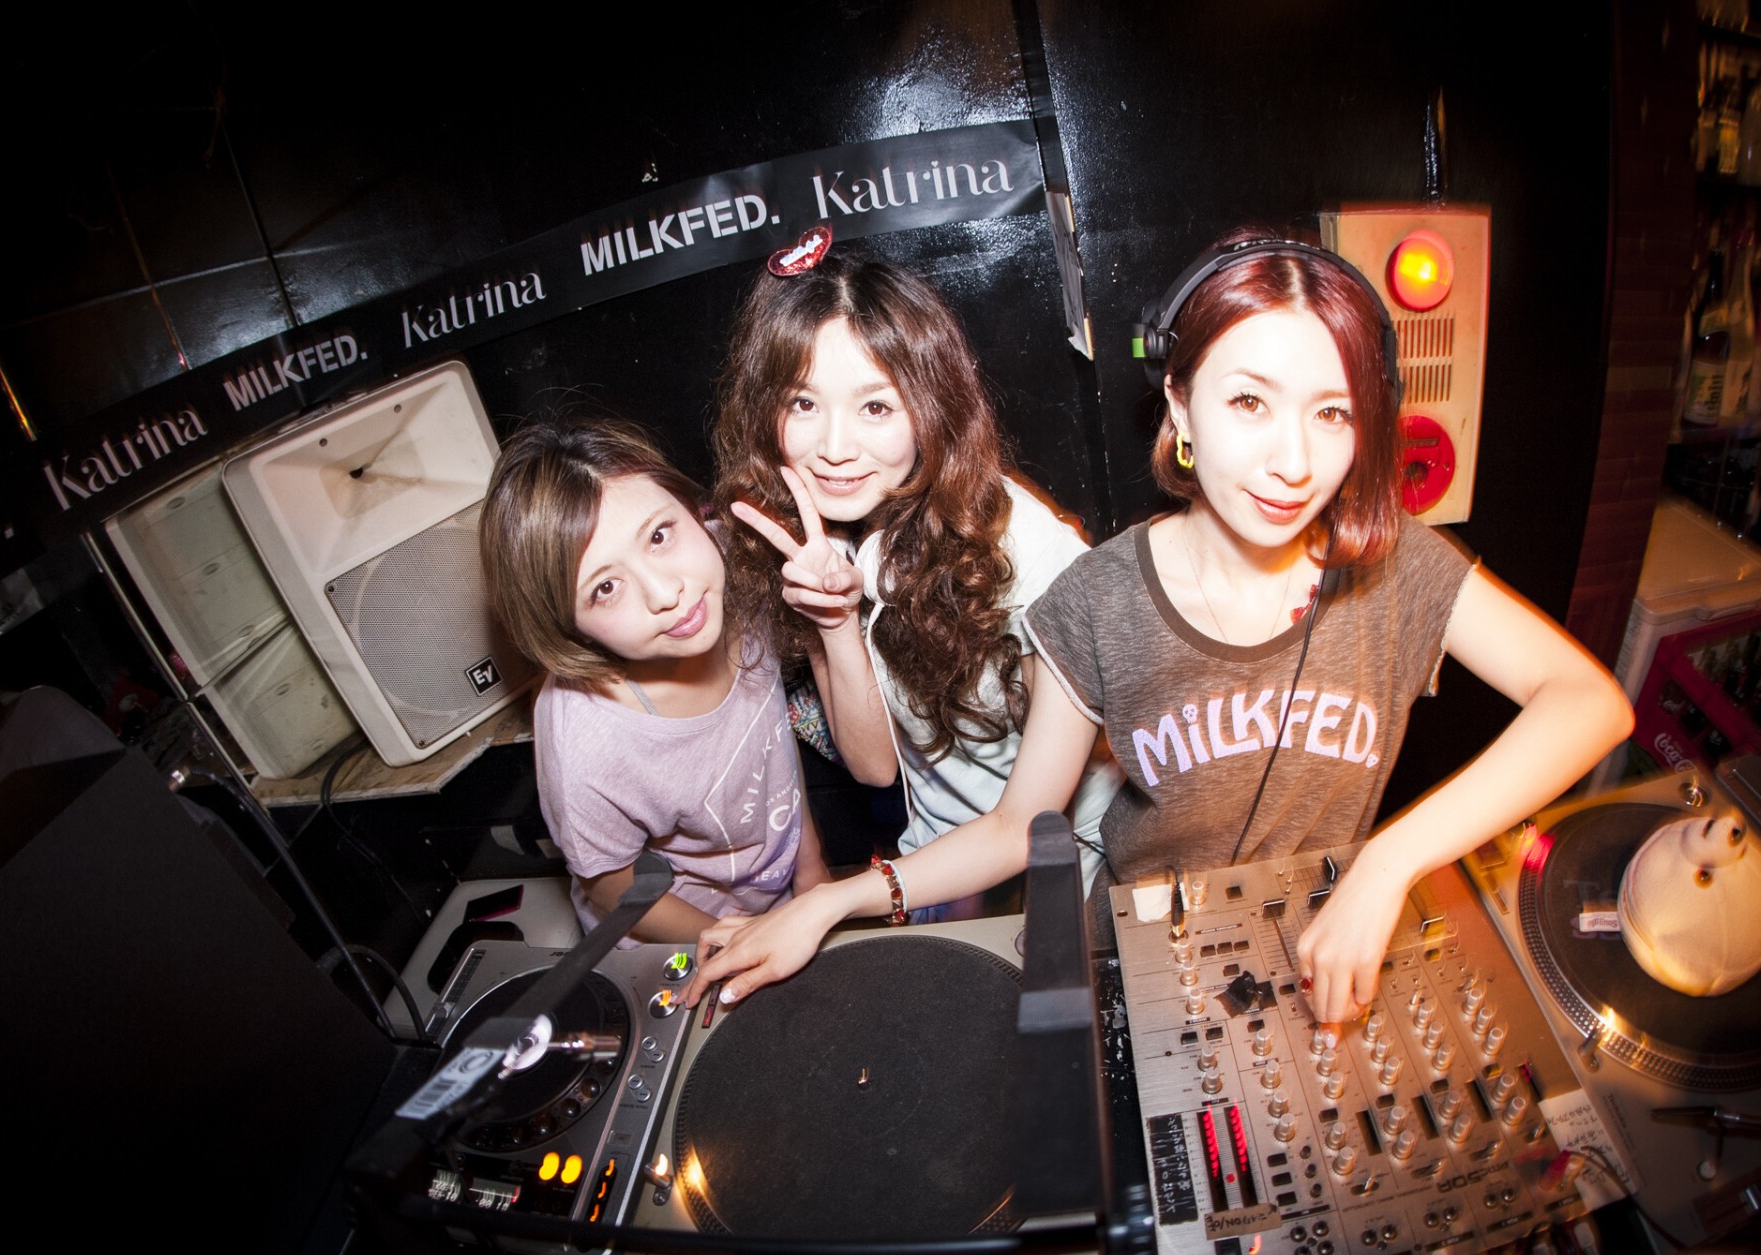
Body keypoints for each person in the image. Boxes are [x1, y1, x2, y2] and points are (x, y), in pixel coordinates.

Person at [688, 232, 1634, 1023]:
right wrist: (834, 898)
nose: (1294, 461)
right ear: (1180, 403)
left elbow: (1591, 704)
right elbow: (1012, 820)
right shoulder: (1100, 595)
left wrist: (1389, 861)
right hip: (1129, 941)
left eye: (1332, 413)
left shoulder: (1400, 566)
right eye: (1250, 401)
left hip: (1331, 935)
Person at [712, 253, 1122, 902]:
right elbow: (876, 767)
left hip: (1071, 863)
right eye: (804, 402)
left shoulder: (1027, 551)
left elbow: (1028, 825)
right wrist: (832, 622)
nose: (835, 448)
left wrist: (830, 903)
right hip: (936, 856)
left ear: (932, 409)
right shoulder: (815, 533)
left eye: (875, 407)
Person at [479, 418, 828, 944]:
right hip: (677, 936)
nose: (666, 593)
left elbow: (771, 754)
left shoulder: (741, 573)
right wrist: (742, 943)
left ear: (691, 508)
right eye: (605, 588)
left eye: (659, 536)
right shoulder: (587, 741)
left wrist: (813, 870)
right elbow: (610, 891)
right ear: (568, 627)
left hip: (774, 903)